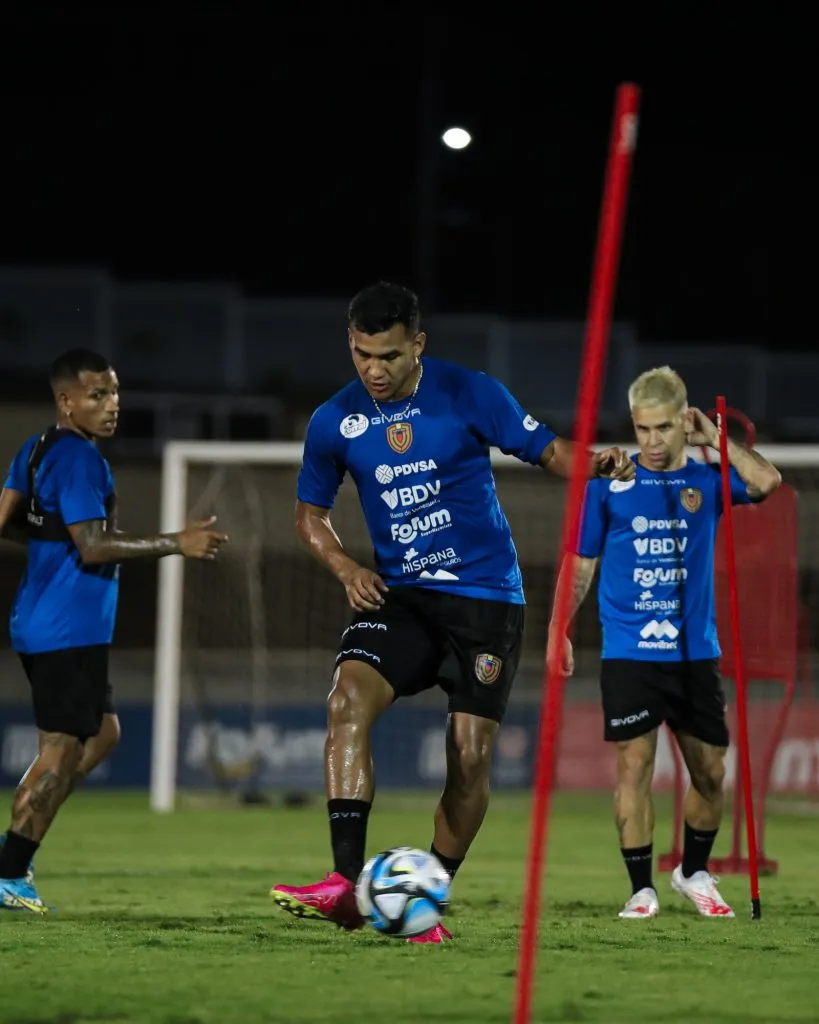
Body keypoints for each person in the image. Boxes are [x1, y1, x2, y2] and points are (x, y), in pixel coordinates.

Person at [270, 281, 635, 942]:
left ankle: (424, 899)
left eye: (387, 356)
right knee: (345, 700)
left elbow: (550, 451)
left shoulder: (470, 392)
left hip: (485, 600)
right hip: (402, 597)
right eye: (360, 355)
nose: (372, 371)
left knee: (468, 756)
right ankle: (346, 885)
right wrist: (346, 567)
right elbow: (307, 516)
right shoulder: (335, 421)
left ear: (418, 345)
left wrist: (597, 462)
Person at [548, 365, 781, 920]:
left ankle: (693, 872)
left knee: (710, 773)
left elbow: (767, 482)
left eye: (662, 428)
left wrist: (717, 441)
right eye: (641, 428)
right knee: (635, 768)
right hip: (629, 653)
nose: (650, 441)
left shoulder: (705, 479)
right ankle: (640, 888)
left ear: (684, 421)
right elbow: (579, 563)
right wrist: (558, 628)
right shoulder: (609, 485)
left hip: (696, 654)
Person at [0, 348, 228, 913]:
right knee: (58, 753)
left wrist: (53, 545)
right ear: (66, 401)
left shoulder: (37, 449)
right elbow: (94, 544)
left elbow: (7, 522)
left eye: (115, 393)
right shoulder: (80, 460)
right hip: (66, 629)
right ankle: (9, 871)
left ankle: (17, 844)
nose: (112, 405)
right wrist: (178, 541)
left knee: (103, 735)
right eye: (97, 395)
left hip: (44, 621)